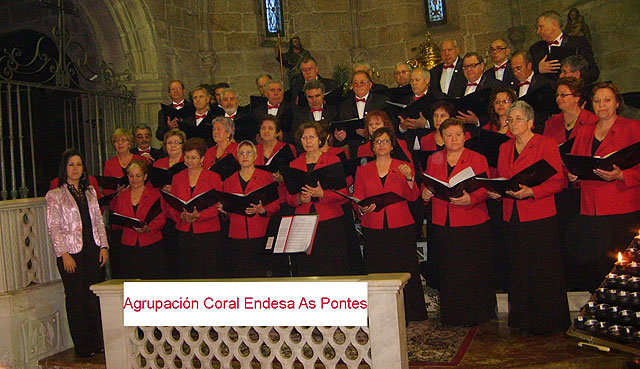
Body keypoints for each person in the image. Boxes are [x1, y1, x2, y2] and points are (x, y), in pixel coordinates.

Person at [488, 101, 569, 335]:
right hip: (511, 213)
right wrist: (496, 190)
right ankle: (521, 318)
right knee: (518, 268)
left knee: (543, 268)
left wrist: (533, 192)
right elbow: (503, 177)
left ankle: (548, 320)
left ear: (531, 122)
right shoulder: (505, 148)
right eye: (510, 119)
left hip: (539, 212)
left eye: (518, 119)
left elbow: (558, 181)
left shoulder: (546, 144)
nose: (512, 123)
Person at [421, 118, 495, 325]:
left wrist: (471, 199)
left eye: (458, 134)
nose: (453, 139)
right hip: (443, 221)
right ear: (442, 138)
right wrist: (425, 193)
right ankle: (453, 313)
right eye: (449, 135)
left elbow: (485, 188)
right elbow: (429, 184)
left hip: (472, 219)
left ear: (465, 136)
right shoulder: (434, 158)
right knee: (449, 269)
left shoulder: (477, 158)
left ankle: (477, 313)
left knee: (472, 268)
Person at [567, 82, 640, 291]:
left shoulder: (633, 127)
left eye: (607, 100)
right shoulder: (584, 131)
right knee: (595, 265)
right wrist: (573, 174)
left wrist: (622, 175)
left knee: (622, 266)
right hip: (590, 208)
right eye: (597, 101)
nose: (602, 105)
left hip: (621, 206)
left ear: (617, 103)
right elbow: (577, 161)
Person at [353, 127, 427, 322]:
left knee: (404, 268)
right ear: (372, 147)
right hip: (373, 225)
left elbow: (413, 196)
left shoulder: (403, 166)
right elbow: (357, 197)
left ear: (392, 145)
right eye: (377, 142)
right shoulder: (363, 169)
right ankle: (379, 314)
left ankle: (410, 312)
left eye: (385, 141)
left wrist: (410, 178)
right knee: (377, 268)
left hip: (400, 224)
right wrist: (361, 209)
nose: (381, 145)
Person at [46, 148, 109, 357]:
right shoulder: (55, 195)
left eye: (79, 164)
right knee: (76, 298)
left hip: (92, 249)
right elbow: (53, 227)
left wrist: (104, 247)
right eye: (71, 164)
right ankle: (83, 346)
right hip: (71, 252)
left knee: (93, 297)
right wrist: (63, 253)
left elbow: (98, 220)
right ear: (65, 168)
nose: (75, 169)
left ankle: (97, 341)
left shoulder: (90, 192)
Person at [286, 122, 350, 276]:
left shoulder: (332, 160)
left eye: (312, 137)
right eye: (304, 138)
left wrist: (322, 194)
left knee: (332, 264)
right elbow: (289, 198)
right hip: (304, 220)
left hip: (329, 219)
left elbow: (344, 193)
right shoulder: (294, 164)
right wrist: (300, 199)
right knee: (307, 265)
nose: (308, 141)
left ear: (320, 140)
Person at [217, 141, 281, 278]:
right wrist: (224, 210)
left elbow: (276, 205)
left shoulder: (266, 177)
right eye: (241, 153)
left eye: (248, 153)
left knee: (261, 272)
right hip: (237, 233)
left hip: (260, 230)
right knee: (241, 272)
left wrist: (262, 210)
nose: (245, 156)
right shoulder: (229, 181)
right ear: (237, 157)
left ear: (255, 156)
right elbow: (227, 211)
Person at [169, 138, 225, 278]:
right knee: (188, 271)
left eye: (193, 157)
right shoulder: (177, 178)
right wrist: (181, 216)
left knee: (209, 272)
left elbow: (216, 206)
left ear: (202, 158)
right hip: (185, 231)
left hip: (208, 232)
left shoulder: (213, 177)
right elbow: (172, 204)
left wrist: (199, 215)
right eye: (187, 157)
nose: (189, 161)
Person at [112, 159, 166, 279]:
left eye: (138, 175)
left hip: (151, 244)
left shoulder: (155, 194)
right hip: (128, 245)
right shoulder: (122, 196)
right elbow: (116, 220)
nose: (134, 179)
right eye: (131, 176)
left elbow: (161, 218)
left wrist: (148, 228)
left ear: (145, 176)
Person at [529, 10, 599, 83]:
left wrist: (577, 77)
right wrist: (538, 69)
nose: (538, 32)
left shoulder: (578, 43)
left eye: (541, 27)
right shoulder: (536, 49)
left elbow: (593, 71)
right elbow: (524, 77)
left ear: (554, 25)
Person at [153, 129, 186, 278]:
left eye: (176, 143)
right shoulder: (159, 163)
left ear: (183, 145)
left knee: (181, 255)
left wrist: (175, 188)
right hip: (162, 211)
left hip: (181, 212)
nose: (172, 146)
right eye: (169, 143)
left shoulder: (188, 162)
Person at [336, 70, 387, 157]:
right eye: (355, 83)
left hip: (378, 148)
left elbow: (388, 125)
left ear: (370, 85)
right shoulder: (344, 105)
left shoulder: (381, 101)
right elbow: (340, 126)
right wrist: (339, 136)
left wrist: (368, 133)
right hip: (354, 150)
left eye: (362, 82)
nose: (358, 86)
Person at [255, 115, 297, 214]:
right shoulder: (254, 150)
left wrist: (282, 178)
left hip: (282, 197)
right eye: (263, 128)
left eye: (270, 128)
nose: (266, 131)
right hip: (261, 199)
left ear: (278, 132)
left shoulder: (288, 148)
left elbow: (293, 175)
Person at [544, 77, 597, 145]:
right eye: (557, 95)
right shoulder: (551, 123)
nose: (558, 98)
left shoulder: (591, 121)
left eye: (563, 95)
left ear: (577, 97)